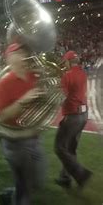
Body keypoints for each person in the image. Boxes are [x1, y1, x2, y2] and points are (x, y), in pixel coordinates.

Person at [0, 43, 46, 205]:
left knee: (37, 181)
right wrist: (24, 100)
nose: (23, 55)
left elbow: (43, 99)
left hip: (34, 136)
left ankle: (9, 195)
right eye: (18, 53)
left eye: (24, 52)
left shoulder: (34, 76)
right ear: (9, 58)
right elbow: (2, 117)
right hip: (15, 142)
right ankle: (16, 197)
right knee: (25, 188)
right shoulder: (4, 83)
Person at [54, 50, 92, 188]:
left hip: (73, 116)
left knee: (59, 147)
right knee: (70, 149)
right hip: (84, 114)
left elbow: (60, 97)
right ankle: (65, 178)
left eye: (65, 61)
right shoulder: (83, 73)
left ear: (68, 61)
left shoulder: (67, 75)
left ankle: (81, 174)